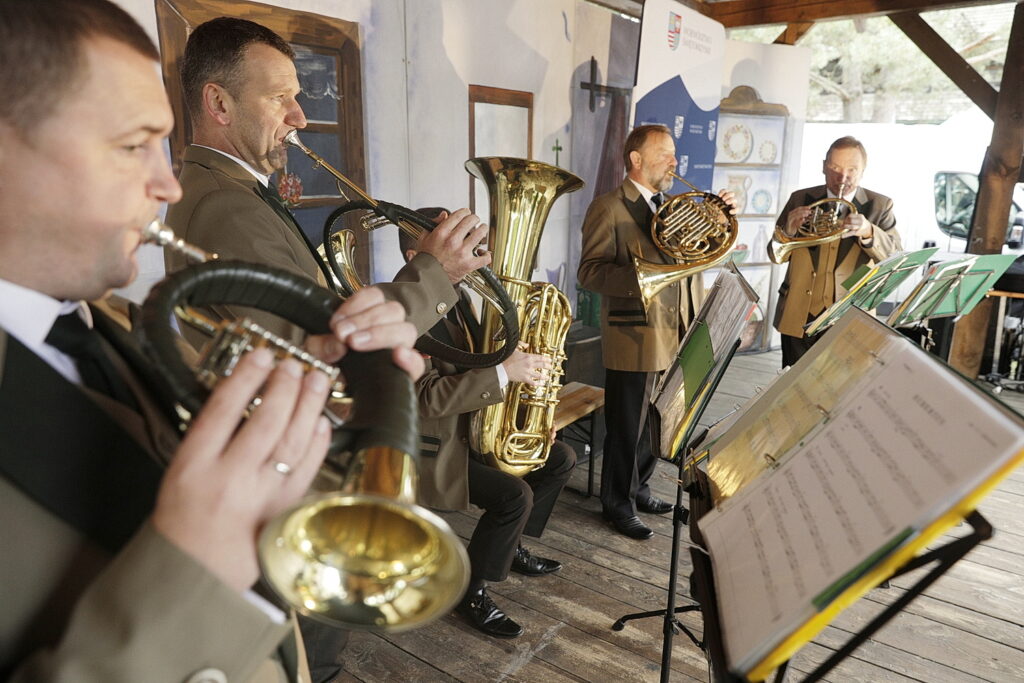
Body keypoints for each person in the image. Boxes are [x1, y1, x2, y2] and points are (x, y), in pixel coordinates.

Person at [0, 1, 421, 680]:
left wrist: (318, 384)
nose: (166, 184)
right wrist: (192, 566)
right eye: (133, 143)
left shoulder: (98, 321)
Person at [166, 16, 490, 349]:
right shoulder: (224, 205)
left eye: (295, 97)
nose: (299, 118)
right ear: (219, 103)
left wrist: (431, 264)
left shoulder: (232, 189)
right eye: (278, 97)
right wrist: (436, 273)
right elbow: (324, 344)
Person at [401, 224, 575, 639]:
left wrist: (528, 415)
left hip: (471, 427)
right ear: (415, 259)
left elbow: (481, 364)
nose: (474, 256)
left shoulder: (458, 295)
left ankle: (508, 544)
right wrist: (501, 372)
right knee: (514, 495)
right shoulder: (406, 309)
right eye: (456, 248)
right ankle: (470, 591)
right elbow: (423, 399)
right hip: (431, 446)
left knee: (560, 459)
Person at [577, 124, 736, 540]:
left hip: (680, 326)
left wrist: (718, 219)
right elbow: (589, 272)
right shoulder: (608, 207)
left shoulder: (673, 204)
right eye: (665, 153)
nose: (674, 161)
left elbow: (695, 256)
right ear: (635, 159)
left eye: (674, 153)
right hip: (636, 332)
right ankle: (617, 503)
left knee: (657, 420)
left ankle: (639, 487)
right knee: (627, 425)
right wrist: (641, 277)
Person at [770, 136, 902, 367]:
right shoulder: (800, 198)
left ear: (863, 171)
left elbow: (895, 257)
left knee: (842, 390)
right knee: (790, 387)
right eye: (835, 168)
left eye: (852, 169)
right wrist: (788, 231)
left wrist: (868, 231)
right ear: (823, 166)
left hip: (850, 316)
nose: (843, 178)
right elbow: (775, 255)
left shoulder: (880, 205)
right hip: (798, 313)